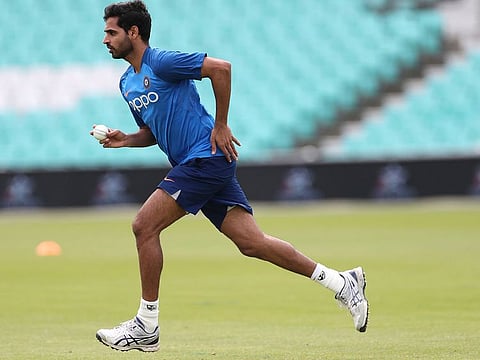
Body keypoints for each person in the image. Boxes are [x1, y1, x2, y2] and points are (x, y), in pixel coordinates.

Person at [94, 0, 368, 352]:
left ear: (133, 32)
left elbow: (221, 69)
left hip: (204, 159)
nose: (105, 39)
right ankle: (341, 282)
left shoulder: (160, 61)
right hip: (199, 164)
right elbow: (153, 131)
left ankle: (146, 324)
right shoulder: (126, 83)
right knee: (252, 243)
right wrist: (127, 140)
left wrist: (220, 124)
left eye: (111, 32)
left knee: (143, 226)